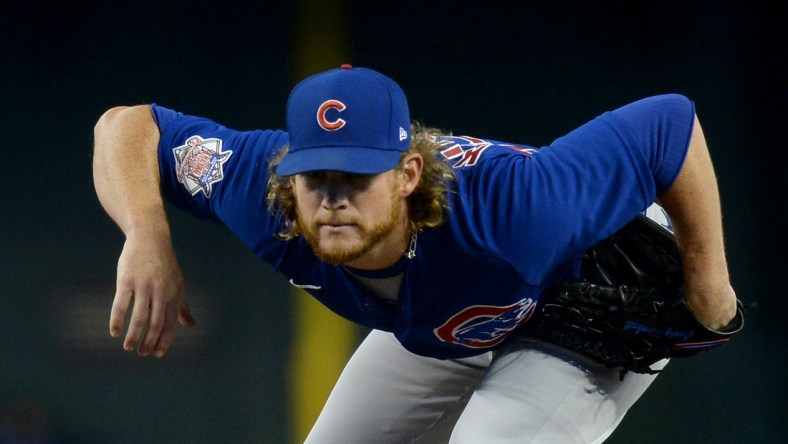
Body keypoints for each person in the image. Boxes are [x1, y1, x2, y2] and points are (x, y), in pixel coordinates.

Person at [92, 64, 738, 443]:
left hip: (575, 311)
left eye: (357, 177)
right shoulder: (258, 189)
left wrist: (710, 286)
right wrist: (145, 233)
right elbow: (127, 124)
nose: (333, 198)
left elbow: (668, 123)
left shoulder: (521, 208)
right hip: (448, 316)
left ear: (406, 176)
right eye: (316, 176)